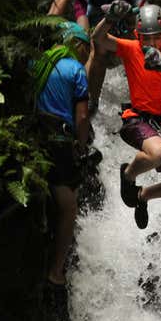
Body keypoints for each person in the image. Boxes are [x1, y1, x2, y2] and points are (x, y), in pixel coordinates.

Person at [92, 2, 161, 229]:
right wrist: (109, 18)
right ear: (137, 36)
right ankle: (128, 175)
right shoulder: (131, 48)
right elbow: (98, 38)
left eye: (156, 37)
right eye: (146, 38)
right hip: (137, 117)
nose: (151, 43)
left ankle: (142, 196)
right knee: (158, 152)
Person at [32, 22, 92, 288]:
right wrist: (80, 145)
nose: (87, 55)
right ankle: (56, 270)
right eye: (86, 49)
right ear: (76, 44)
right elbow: (81, 116)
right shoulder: (76, 70)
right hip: (59, 141)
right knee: (69, 206)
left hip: (35, 137)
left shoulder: (40, 62)